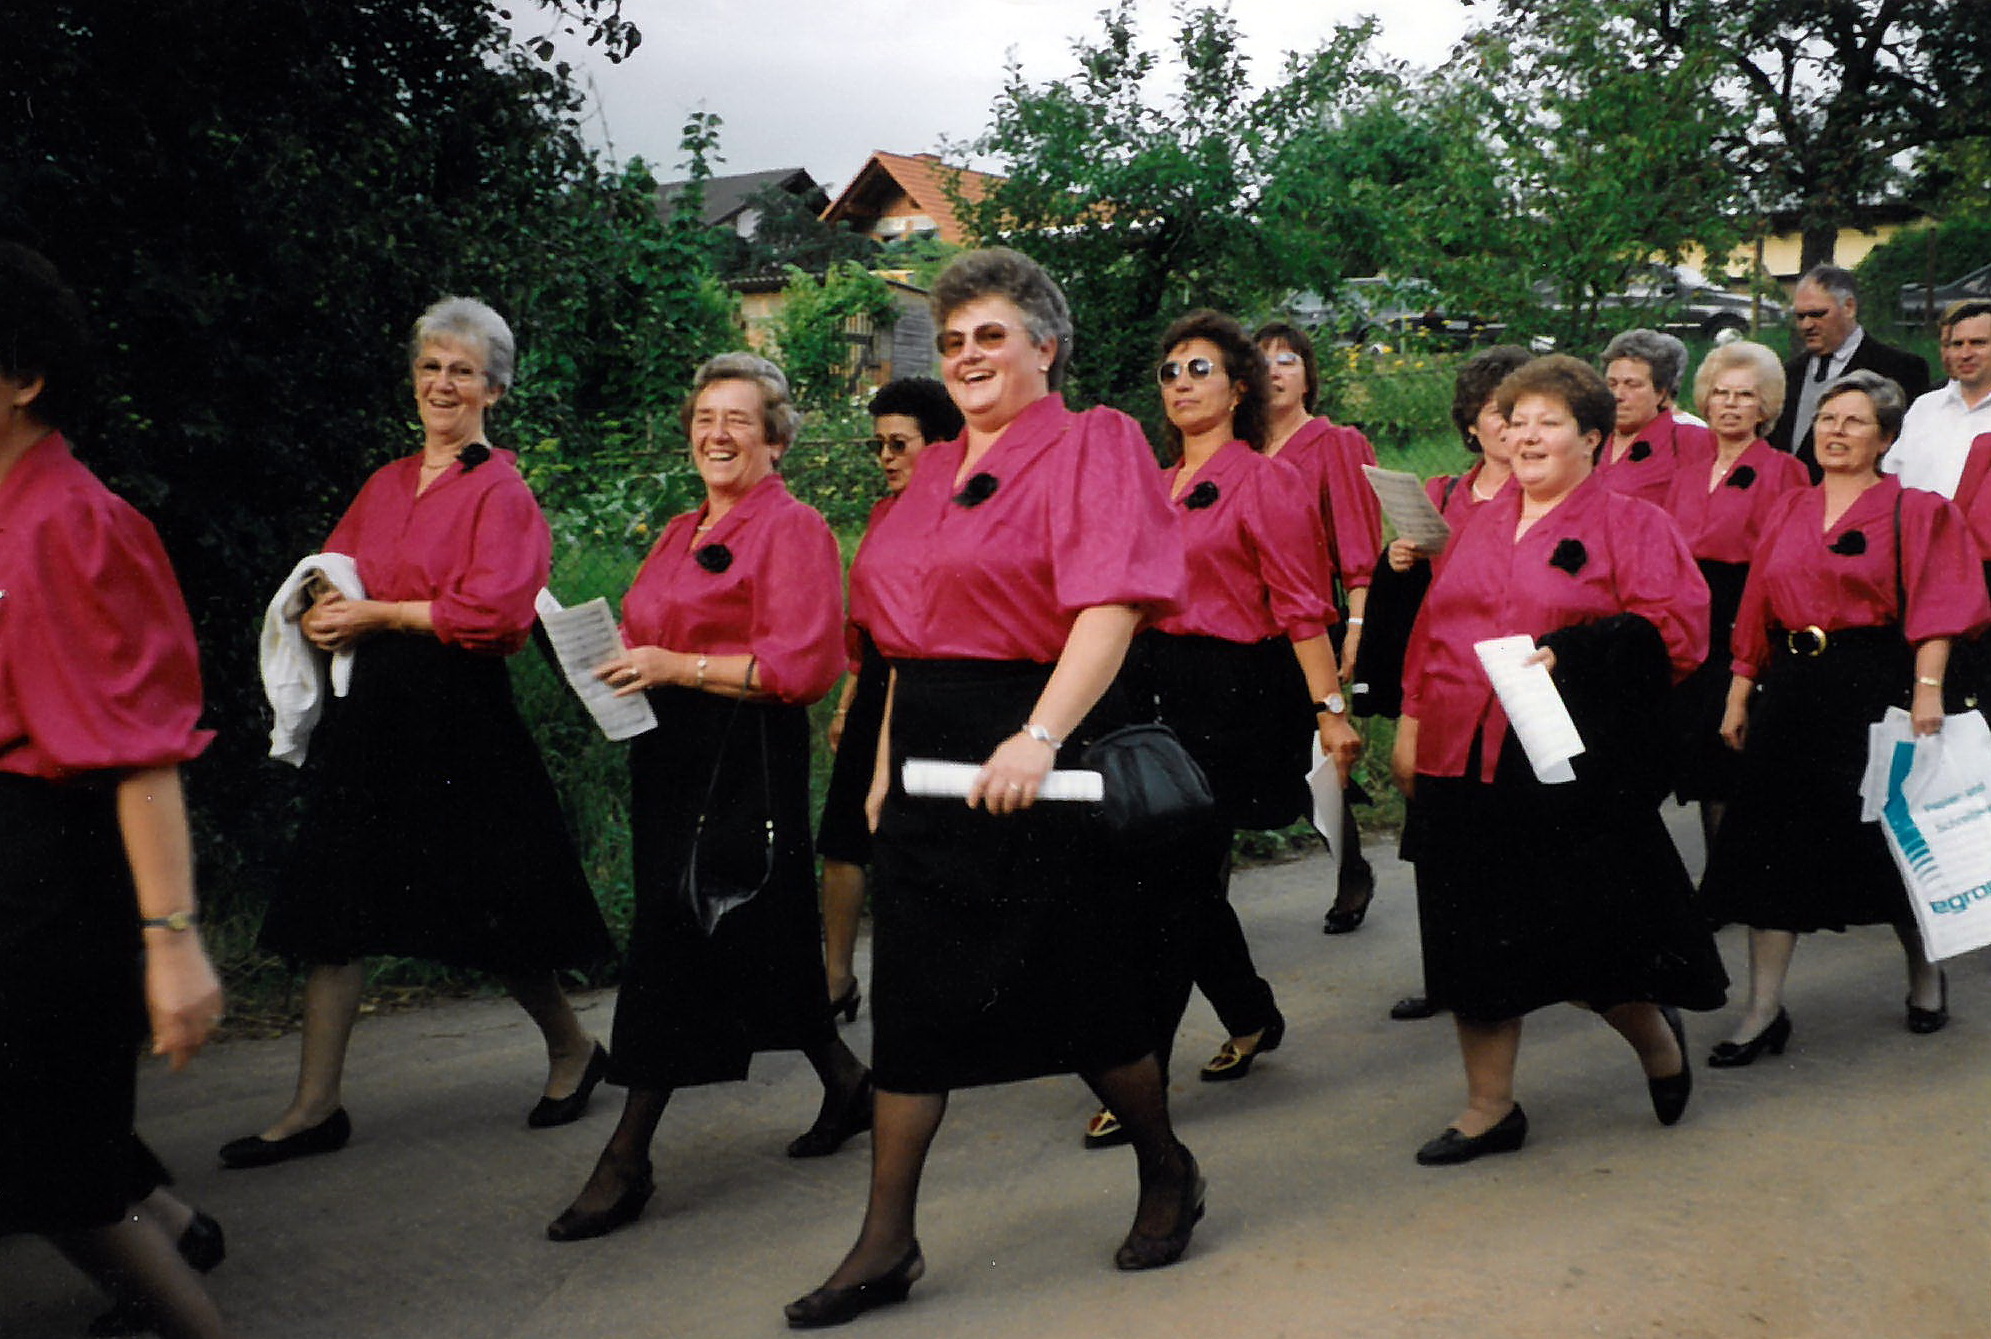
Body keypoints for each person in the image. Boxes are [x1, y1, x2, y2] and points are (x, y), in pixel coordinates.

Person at [786, 248, 1198, 1329]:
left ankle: (1165, 1166)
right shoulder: (925, 474)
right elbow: (895, 644)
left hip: (1036, 748)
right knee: (914, 1004)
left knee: (1083, 998)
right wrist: (877, 771)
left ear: (1044, 349)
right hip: (925, 759)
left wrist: (1038, 733)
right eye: (953, 339)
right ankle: (887, 1239)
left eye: (991, 336)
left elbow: (1108, 606)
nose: (967, 356)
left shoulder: (1092, 442)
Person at [224, 298, 612, 1169]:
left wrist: (380, 612)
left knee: (495, 904)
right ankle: (314, 1105)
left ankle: (573, 1049)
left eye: (462, 370)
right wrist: (323, 609)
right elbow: (334, 567)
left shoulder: (503, 491)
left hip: (458, 710)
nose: (443, 383)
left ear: (494, 389)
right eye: (431, 366)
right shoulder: (386, 481)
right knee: (335, 896)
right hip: (375, 710)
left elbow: (496, 615)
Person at [547, 353, 871, 1242]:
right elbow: (652, 633)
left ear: (773, 438)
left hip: (742, 755)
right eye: (703, 417)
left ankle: (627, 1157)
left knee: (677, 939)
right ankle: (846, 1082)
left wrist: (674, 666)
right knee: (743, 931)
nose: (716, 434)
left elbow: (801, 666)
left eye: (737, 419)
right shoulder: (679, 528)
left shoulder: (793, 527)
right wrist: (606, 656)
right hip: (668, 753)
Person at [1392, 355, 1725, 1165]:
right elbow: (1436, 630)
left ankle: (1654, 1041)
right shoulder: (1470, 521)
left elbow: (1677, 632)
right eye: (1516, 420)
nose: (1526, 434)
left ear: (1591, 438)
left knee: (1588, 940)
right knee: (1469, 937)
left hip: (1561, 762)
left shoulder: (1630, 523)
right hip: (1458, 751)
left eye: (1548, 421)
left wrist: (1576, 651)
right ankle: (1488, 1106)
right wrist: (1408, 721)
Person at [0, 242, 231, 1338]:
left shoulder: (70, 522)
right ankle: (180, 1230)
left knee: (63, 1185)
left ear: (24, 375)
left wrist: (172, 942)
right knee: (60, 1162)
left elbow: (140, 750)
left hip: (51, 878)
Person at [1081, 311, 1361, 1149]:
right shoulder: (1151, 485)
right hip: (1143, 689)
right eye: (1168, 371)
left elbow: (1301, 606)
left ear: (1238, 387)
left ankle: (1141, 1076)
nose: (1179, 383)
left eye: (1198, 368)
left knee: (1170, 886)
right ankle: (1249, 1013)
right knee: (1174, 883)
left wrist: (1331, 711)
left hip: (1230, 694)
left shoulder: (1266, 480)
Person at [1699, 370, 1990, 1062]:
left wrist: (1926, 687)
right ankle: (1762, 1010)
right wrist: (1740, 692)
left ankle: (1925, 975)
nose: (1833, 431)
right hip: (1794, 685)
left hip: (1874, 685)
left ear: (1885, 438)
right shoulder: (1788, 509)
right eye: (1827, 418)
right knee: (1771, 845)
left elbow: (1940, 602)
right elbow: (1755, 611)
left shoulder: (1916, 511)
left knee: (1887, 843)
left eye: (1853, 421)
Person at [1365, 343, 1533, 1023]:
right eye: (1496, 412)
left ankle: (1516, 972)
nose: (1506, 426)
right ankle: (1446, 977)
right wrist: (1398, 557)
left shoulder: (1539, 493)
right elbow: (1405, 595)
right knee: (1432, 840)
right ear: (1470, 423)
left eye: (1520, 412)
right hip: (1440, 680)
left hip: (1511, 680)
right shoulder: (1441, 493)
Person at [816, 378, 962, 1021]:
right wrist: (849, 702)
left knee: (926, 842)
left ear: (937, 446)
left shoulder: (961, 511)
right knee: (844, 837)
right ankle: (835, 978)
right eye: (878, 445)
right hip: (877, 676)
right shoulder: (882, 513)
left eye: (898, 444)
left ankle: (944, 979)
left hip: (934, 682)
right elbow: (864, 622)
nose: (886, 457)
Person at [1253, 320, 1382, 934]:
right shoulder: (1233, 447)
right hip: (1243, 625)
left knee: (1320, 750)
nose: (1275, 370)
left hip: (1309, 622)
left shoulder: (1334, 443)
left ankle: (1351, 866)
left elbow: (1358, 541)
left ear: (1308, 373)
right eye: (1262, 361)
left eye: (1288, 359)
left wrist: (1356, 626)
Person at [1662, 341, 1810, 847]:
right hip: (1688, 622)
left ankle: (1731, 882)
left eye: (1744, 396)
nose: (1730, 404)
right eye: (1721, 393)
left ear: (1764, 406)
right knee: (1700, 758)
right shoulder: (1684, 471)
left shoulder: (1784, 471)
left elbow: (1782, 565)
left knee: (1730, 753)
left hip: (1741, 618)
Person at [1770, 265, 1932, 476]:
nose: (1806, 325)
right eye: (1800, 317)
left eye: (1817, 314)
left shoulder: (1902, 369)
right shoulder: (1787, 374)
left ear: (1849, 307)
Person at [1883, 299, 1991, 498]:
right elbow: (1890, 476)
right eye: (1957, 344)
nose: (1965, 354)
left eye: (1978, 343)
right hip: (1914, 526)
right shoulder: (1924, 408)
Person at [1596, 329, 1708, 505]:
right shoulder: (1588, 438)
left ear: (1660, 393)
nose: (1618, 394)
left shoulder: (1688, 442)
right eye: (1611, 384)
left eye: (1632, 385)